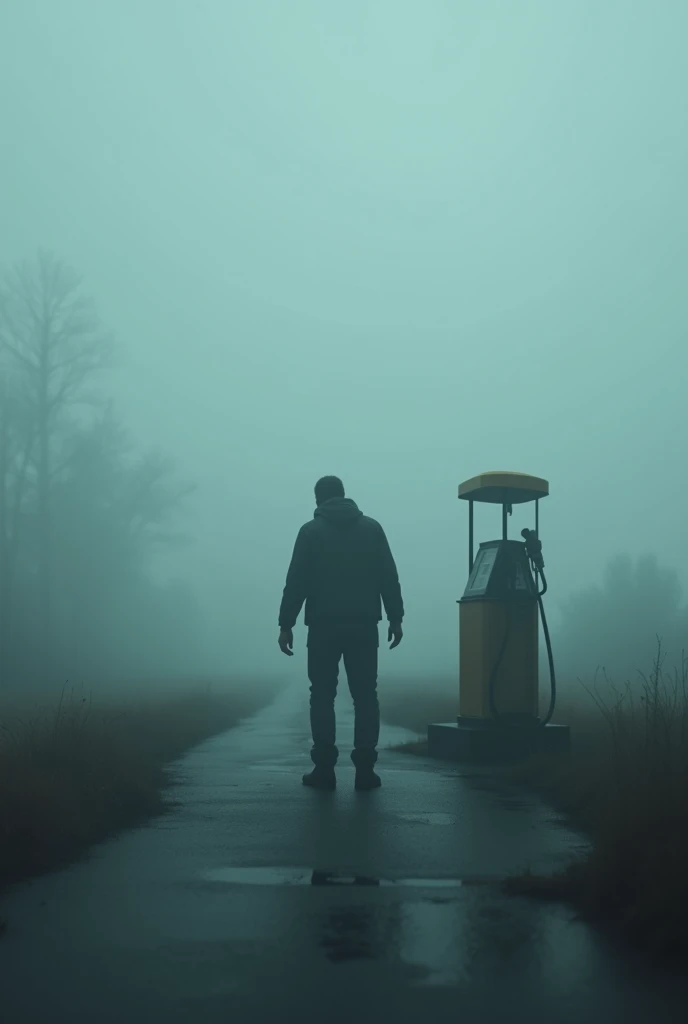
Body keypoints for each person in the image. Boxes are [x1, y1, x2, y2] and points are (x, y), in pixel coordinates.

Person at [278, 476, 404, 791]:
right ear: (344, 495)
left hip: (323, 627)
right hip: (364, 625)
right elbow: (389, 575)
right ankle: (365, 771)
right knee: (365, 696)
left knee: (322, 696)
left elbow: (297, 581)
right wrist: (395, 617)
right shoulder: (372, 529)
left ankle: (324, 769)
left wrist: (286, 624)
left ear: (318, 499)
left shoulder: (310, 532)